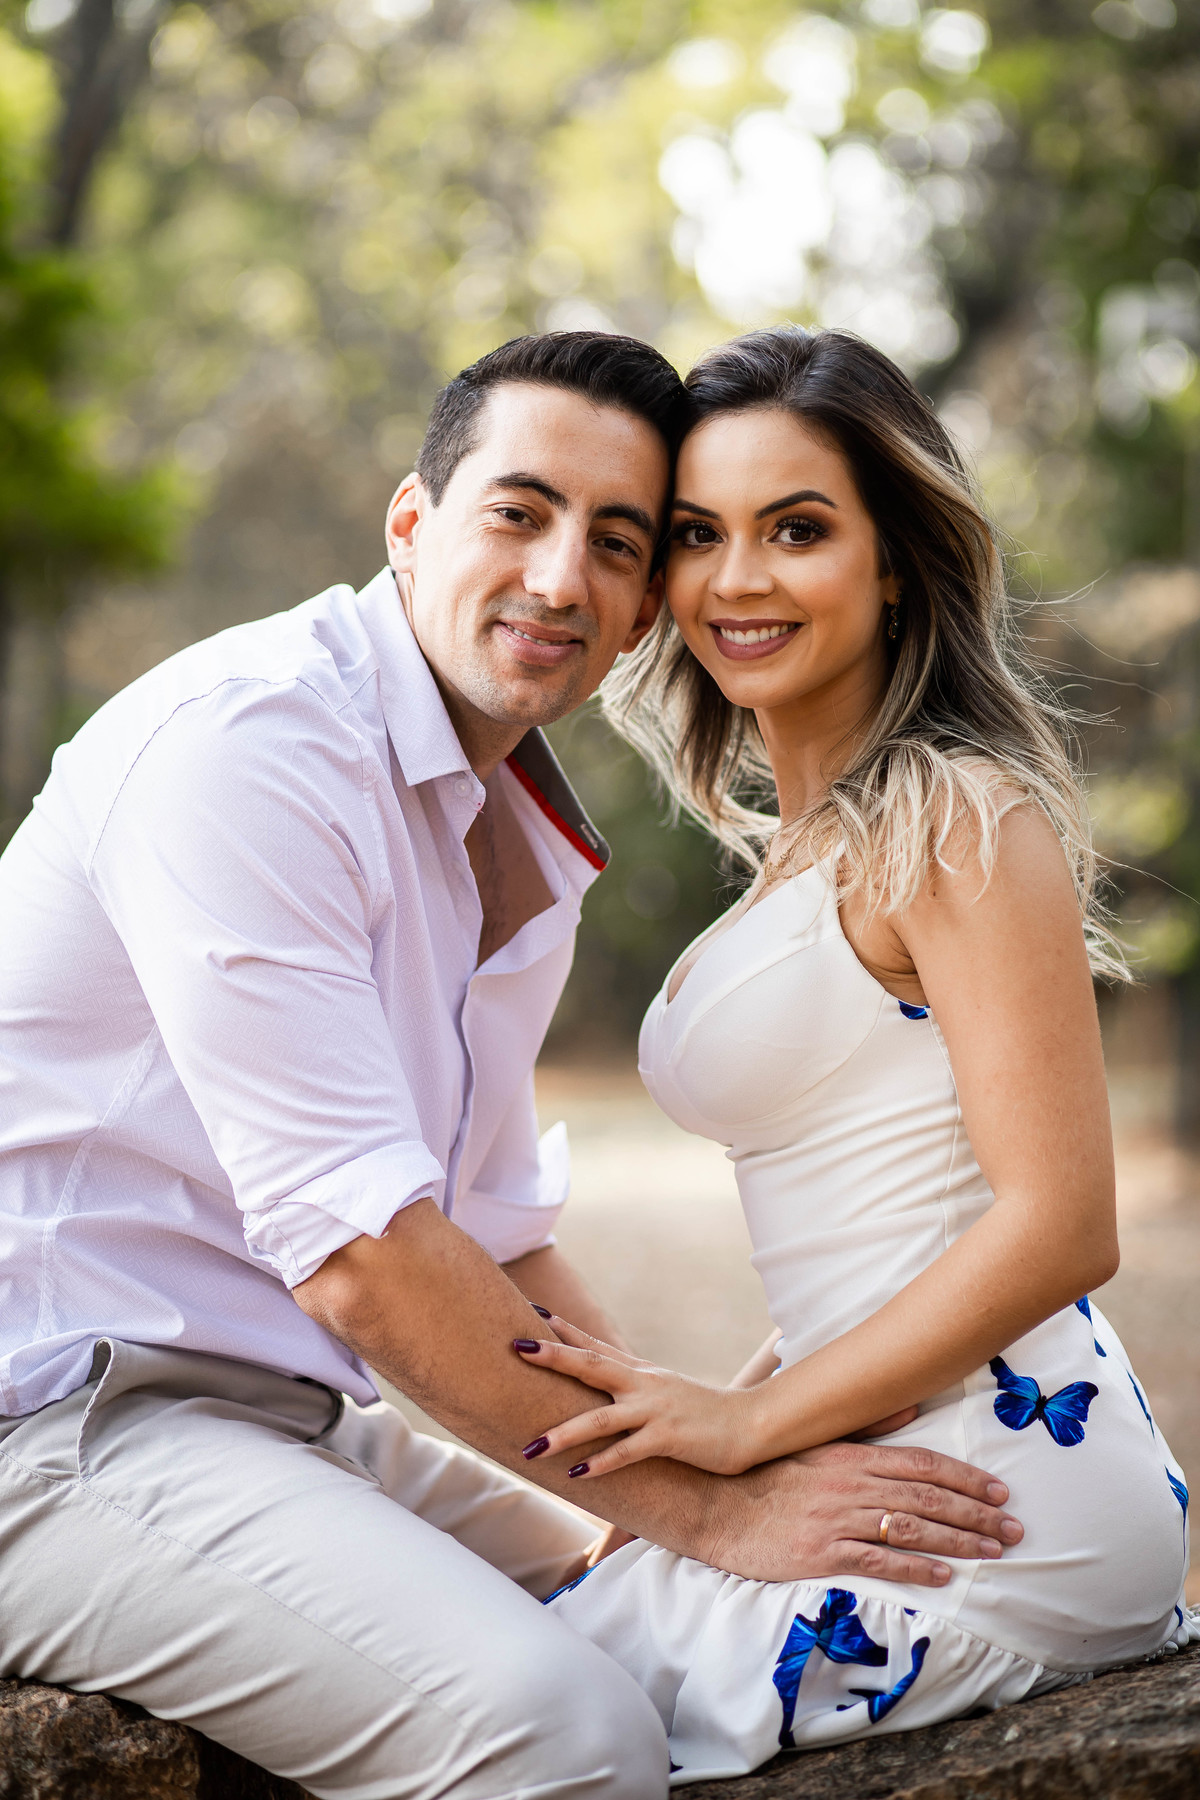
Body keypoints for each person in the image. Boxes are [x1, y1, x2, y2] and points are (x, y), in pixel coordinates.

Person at [0, 331, 1021, 1800]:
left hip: (264, 1422)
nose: (560, 580)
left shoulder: (514, 821)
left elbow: (491, 1225)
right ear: (411, 527)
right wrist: (709, 1509)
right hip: (55, 1420)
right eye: (518, 513)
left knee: (688, 1639)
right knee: (560, 1731)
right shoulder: (255, 751)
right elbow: (365, 1258)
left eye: (618, 543)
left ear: (642, 610)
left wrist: (699, 1461)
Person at [513, 326, 1197, 1780]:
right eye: (698, 536)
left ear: (894, 561)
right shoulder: (799, 852)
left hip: (1004, 1500)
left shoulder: (956, 814)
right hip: (879, 1460)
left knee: (517, 1712)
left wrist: (752, 1416)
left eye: (798, 529)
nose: (737, 579)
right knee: (491, 1650)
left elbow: (1062, 1223)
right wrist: (736, 1424)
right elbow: (881, 1212)